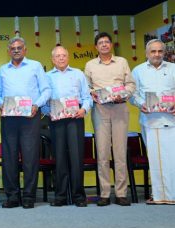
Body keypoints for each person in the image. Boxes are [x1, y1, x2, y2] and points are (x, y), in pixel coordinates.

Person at [0, 37, 51, 209]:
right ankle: (12, 196)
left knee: (30, 157)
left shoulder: (35, 66)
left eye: (19, 47)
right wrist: (0, 103)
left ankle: (28, 196)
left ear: (25, 50)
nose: (16, 50)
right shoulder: (3, 70)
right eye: (13, 48)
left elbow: (46, 90)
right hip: (9, 118)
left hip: (30, 117)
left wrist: (37, 105)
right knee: (9, 157)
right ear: (8, 51)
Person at [84, 32, 135, 206]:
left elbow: (131, 85)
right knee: (102, 153)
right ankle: (105, 193)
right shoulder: (90, 64)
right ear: (96, 47)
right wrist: (93, 95)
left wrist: (124, 95)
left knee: (120, 153)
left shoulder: (122, 62)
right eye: (101, 42)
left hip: (120, 108)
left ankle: (121, 193)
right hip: (100, 110)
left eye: (107, 42)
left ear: (111, 45)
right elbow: (87, 87)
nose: (104, 45)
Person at [45, 46, 92, 207]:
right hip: (56, 120)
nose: (61, 58)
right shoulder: (46, 76)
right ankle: (61, 196)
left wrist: (83, 109)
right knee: (59, 157)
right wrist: (48, 111)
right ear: (53, 59)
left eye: (64, 55)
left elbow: (87, 97)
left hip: (75, 118)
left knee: (76, 157)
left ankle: (79, 196)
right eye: (57, 56)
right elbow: (44, 101)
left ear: (68, 57)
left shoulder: (78, 74)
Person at [130, 39, 175, 204]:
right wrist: (141, 104)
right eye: (153, 51)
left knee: (172, 159)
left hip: (171, 121)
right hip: (149, 121)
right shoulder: (138, 70)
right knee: (155, 160)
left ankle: (172, 196)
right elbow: (132, 94)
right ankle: (158, 196)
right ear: (146, 53)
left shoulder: (173, 69)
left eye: (160, 51)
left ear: (164, 52)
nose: (157, 54)